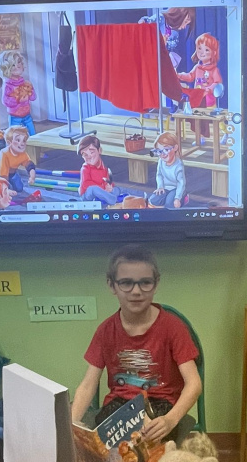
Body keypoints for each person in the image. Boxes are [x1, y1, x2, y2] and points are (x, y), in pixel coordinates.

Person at [71, 244, 201, 445]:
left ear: (156, 284)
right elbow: (88, 385)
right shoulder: (106, 330)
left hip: (161, 406)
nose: (136, 291)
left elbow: (194, 383)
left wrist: (170, 420)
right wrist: (71, 424)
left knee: (147, 435)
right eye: (126, 283)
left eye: (145, 282)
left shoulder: (173, 327)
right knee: (99, 440)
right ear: (112, 285)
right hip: (119, 405)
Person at [75, 134, 123, 206]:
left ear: (99, 150)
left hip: (102, 192)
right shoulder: (85, 168)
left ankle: (110, 196)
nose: (89, 156)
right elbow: (86, 184)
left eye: (92, 152)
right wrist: (102, 188)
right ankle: (112, 199)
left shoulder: (104, 168)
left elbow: (107, 181)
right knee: (93, 189)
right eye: (85, 155)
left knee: (116, 189)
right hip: (87, 195)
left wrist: (110, 187)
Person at [0, 49, 37, 136]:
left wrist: (31, 90)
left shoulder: (25, 83)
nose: (17, 66)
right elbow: (5, 101)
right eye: (13, 64)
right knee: (14, 136)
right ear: (6, 68)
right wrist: (18, 100)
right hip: (15, 117)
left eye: (19, 62)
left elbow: (33, 97)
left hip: (27, 115)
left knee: (33, 135)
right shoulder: (8, 85)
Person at [147, 132, 187, 208]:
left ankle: (183, 197)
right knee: (153, 200)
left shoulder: (178, 165)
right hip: (165, 188)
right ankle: (167, 198)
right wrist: (160, 187)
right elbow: (159, 175)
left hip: (176, 189)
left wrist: (177, 198)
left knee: (170, 204)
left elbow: (181, 183)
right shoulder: (161, 161)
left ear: (175, 148)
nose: (162, 154)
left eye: (166, 150)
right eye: (159, 151)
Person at [0, 125, 38, 194]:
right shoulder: (4, 153)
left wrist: (32, 176)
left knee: (19, 188)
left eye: (24, 140)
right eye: (18, 140)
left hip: (13, 173)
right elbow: (3, 173)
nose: (22, 143)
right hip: (0, 174)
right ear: (9, 142)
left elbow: (29, 165)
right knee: (1, 190)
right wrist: (6, 189)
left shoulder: (22, 154)